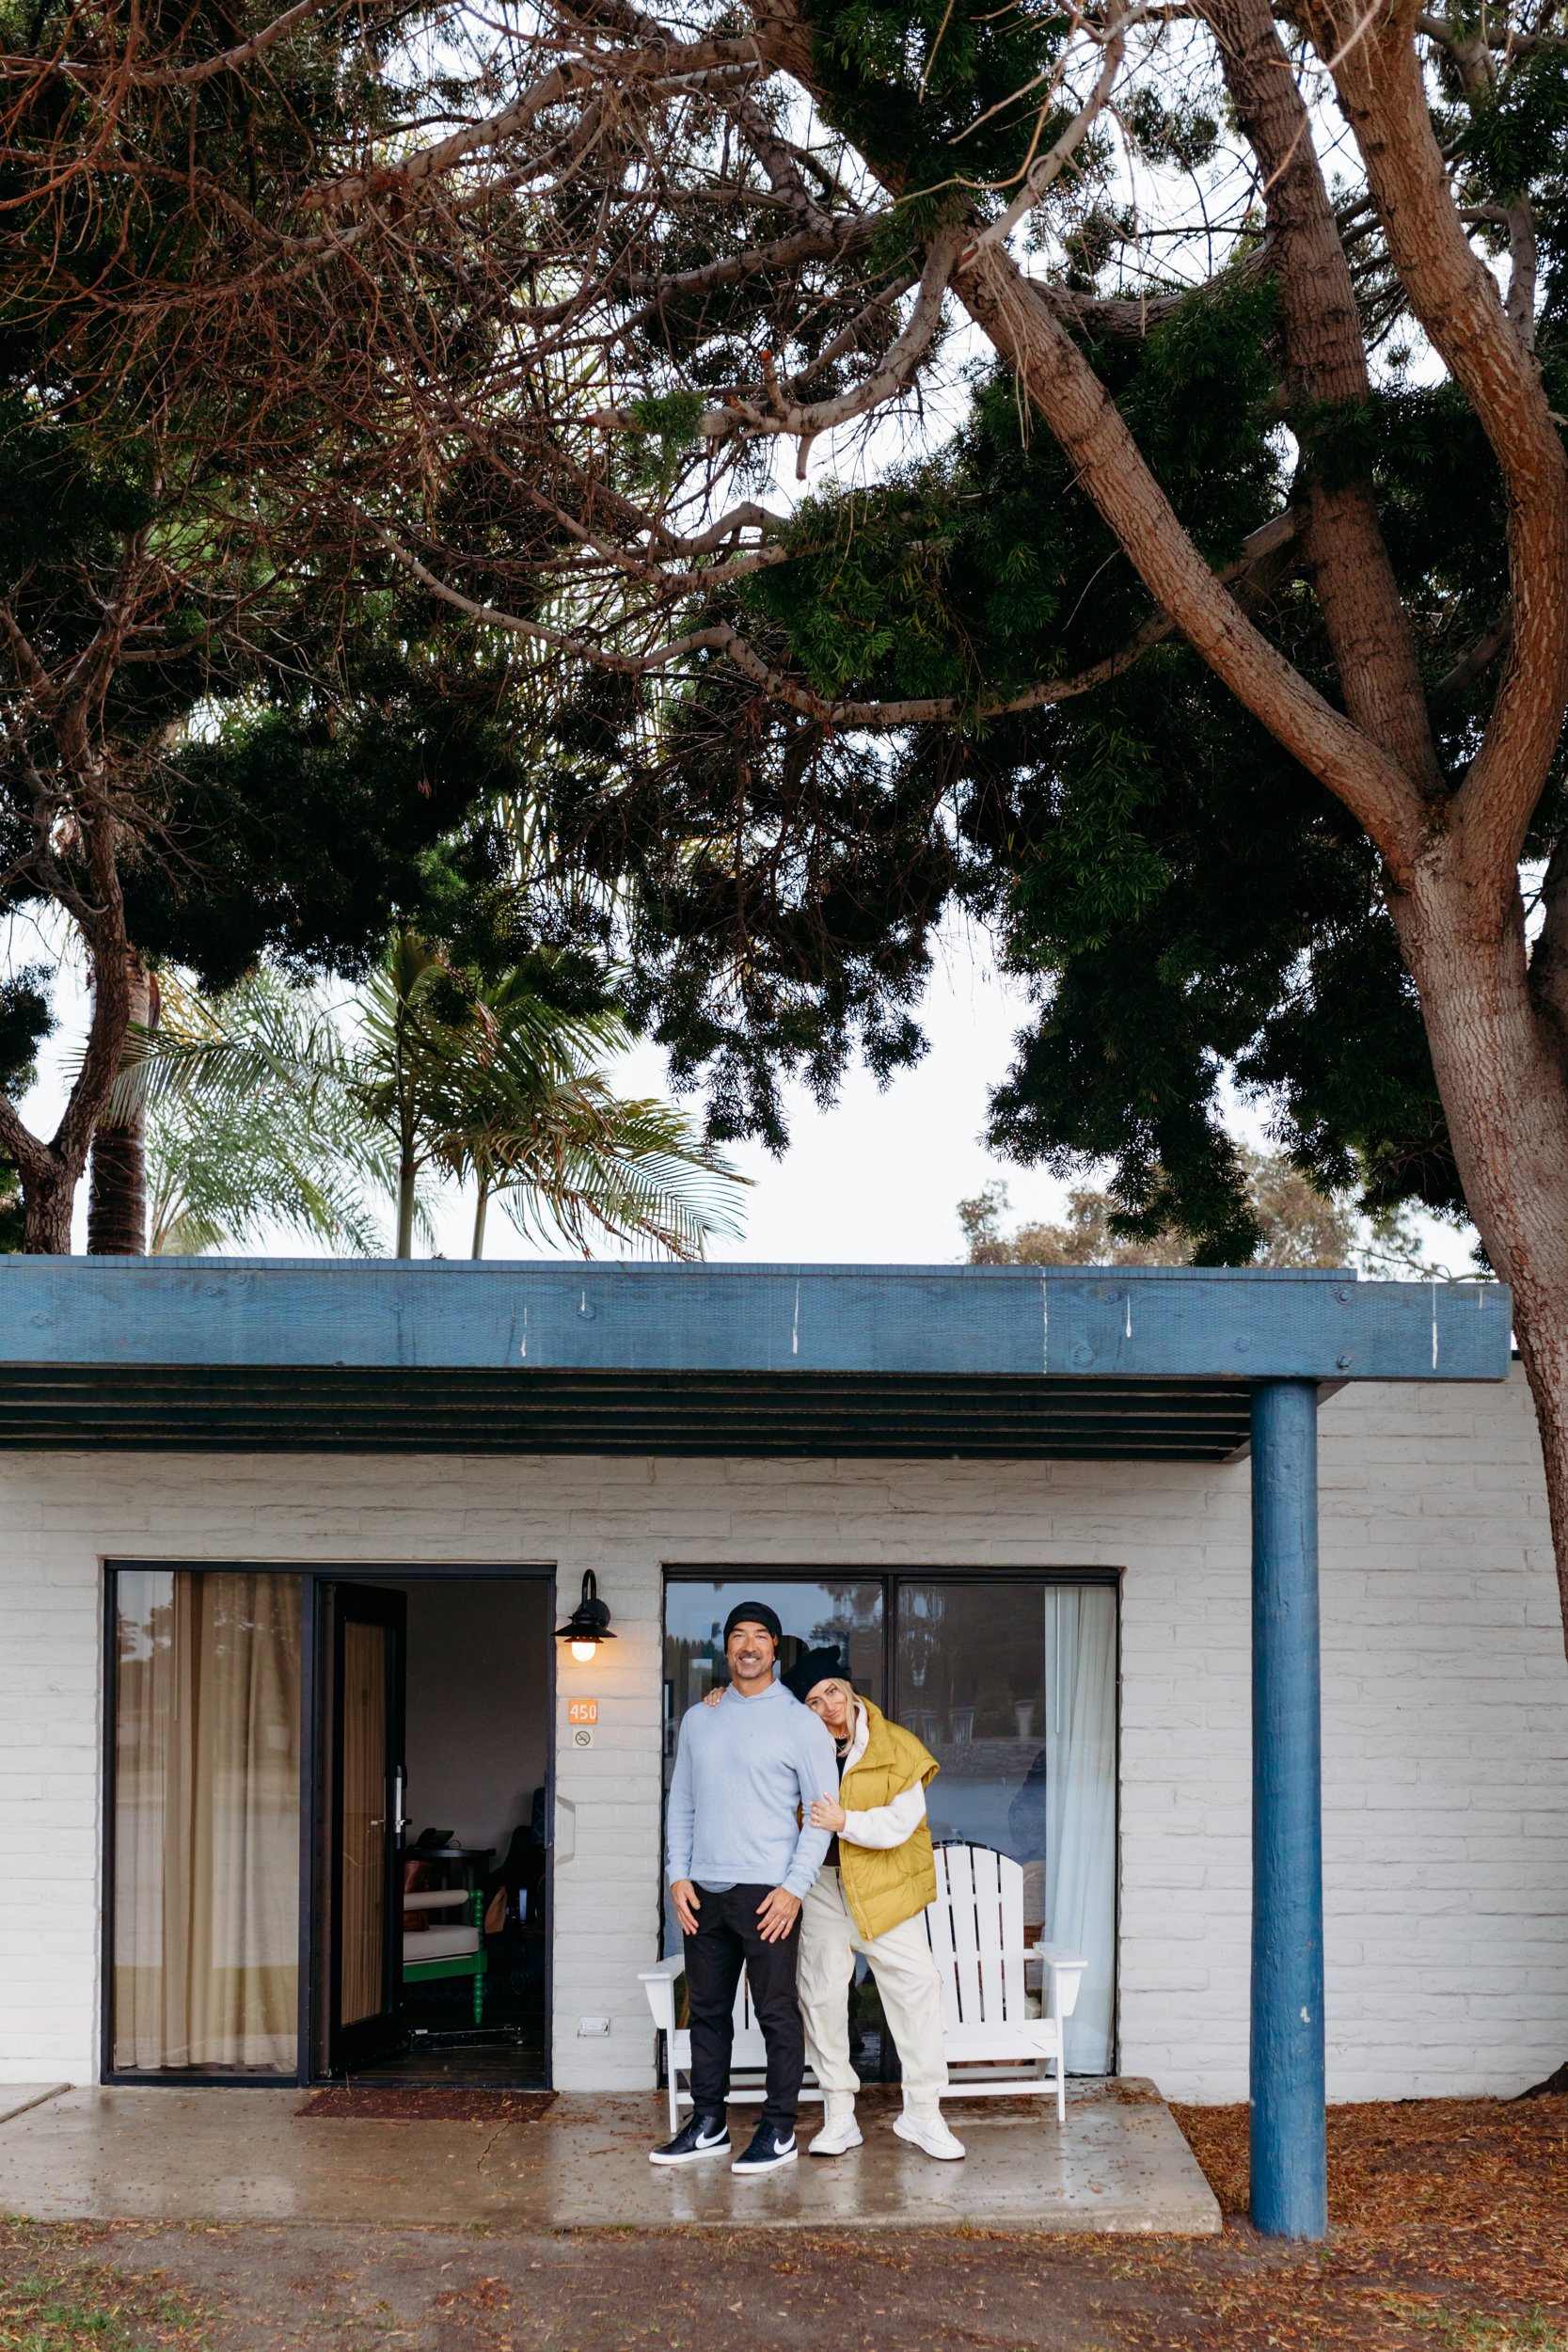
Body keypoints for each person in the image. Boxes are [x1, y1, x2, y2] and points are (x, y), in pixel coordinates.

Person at [652, 1600, 838, 2175]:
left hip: (768, 1896)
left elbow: (820, 1814)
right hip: (702, 1892)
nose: (749, 1646)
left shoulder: (800, 1723)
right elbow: (680, 1802)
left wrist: (793, 1889)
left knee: (778, 2015)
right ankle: (707, 2123)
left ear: (775, 1649)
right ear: (726, 1647)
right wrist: (675, 1873)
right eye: (739, 1636)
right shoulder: (699, 1719)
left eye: (761, 1636)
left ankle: (778, 2130)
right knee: (707, 2013)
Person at [769, 1646, 967, 2161]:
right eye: (813, 1701)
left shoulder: (897, 1745)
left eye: (833, 1691)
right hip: (824, 1889)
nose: (827, 1706)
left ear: (850, 1690)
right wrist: (721, 1698)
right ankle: (839, 2114)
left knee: (917, 1988)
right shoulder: (800, 1746)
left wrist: (845, 1823)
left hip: (884, 1887)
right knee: (822, 1996)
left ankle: (923, 2113)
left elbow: (901, 1824)